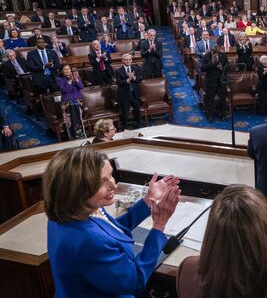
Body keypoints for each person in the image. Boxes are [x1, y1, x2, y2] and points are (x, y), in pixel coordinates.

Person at [44, 147, 181, 298]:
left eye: (110, 175)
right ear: (78, 189)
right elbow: (134, 283)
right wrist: (159, 226)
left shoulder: (71, 210)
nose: (113, 185)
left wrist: (148, 201)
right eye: (102, 182)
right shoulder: (91, 241)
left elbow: (108, 229)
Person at [56, 65, 86, 139]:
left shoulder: (75, 76)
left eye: (69, 69)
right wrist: (69, 80)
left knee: (79, 119)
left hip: (78, 101)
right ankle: (71, 137)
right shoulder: (59, 79)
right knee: (69, 122)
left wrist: (77, 80)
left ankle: (81, 136)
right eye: (65, 69)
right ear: (62, 71)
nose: (67, 71)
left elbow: (81, 87)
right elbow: (65, 90)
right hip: (67, 103)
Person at [115, 53, 143, 129]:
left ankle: (139, 124)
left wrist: (134, 78)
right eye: (126, 60)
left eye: (129, 59)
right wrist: (128, 79)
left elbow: (140, 79)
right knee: (125, 112)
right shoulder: (118, 70)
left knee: (137, 109)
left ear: (131, 60)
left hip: (134, 93)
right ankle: (124, 126)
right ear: (122, 61)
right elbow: (118, 82)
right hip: (124, 94)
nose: (128, 61)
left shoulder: (136, 68)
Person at [202, 45, 229, 122]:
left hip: (221, 81)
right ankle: (210, 116)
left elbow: (227, 67)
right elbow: (203, 68)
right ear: (211, 51)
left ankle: (223, 115)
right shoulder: (206, 56)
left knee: (222, 99)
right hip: (211, 81)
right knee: (210, 99)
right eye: (214, 52)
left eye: (217, 52)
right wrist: (212, 62)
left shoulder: (223, 55)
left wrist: (222, 68)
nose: (216, 54)